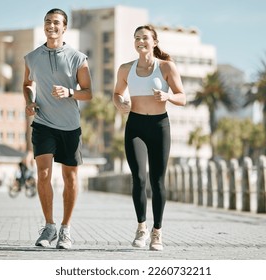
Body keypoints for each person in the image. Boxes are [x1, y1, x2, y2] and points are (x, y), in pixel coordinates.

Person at [23, 8, 92, 249]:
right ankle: (49, 226)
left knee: (70, 177)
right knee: (43, 173)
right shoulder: (32, 57)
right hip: (43, 124)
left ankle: (65, 229)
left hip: (70, 126)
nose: (51, 26)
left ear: (64, 28)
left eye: (56, 23)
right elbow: (27, 84)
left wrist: (70, 92)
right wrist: (30, 101)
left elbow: (88, 93)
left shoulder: (77, 57)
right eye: (47, 22)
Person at [113, 25, 186, 251]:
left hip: (159, 126)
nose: (140, 41)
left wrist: (167, 96)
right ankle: (141, 228)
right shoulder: (125, 69)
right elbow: (116, 94)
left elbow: (182, 97)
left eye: (144, 37)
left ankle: (157, 232)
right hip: (135, 126)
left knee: (157, 180)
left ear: (154, 42)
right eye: (136, 38)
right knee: (139, 178)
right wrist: (121, 103)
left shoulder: (166, 67)